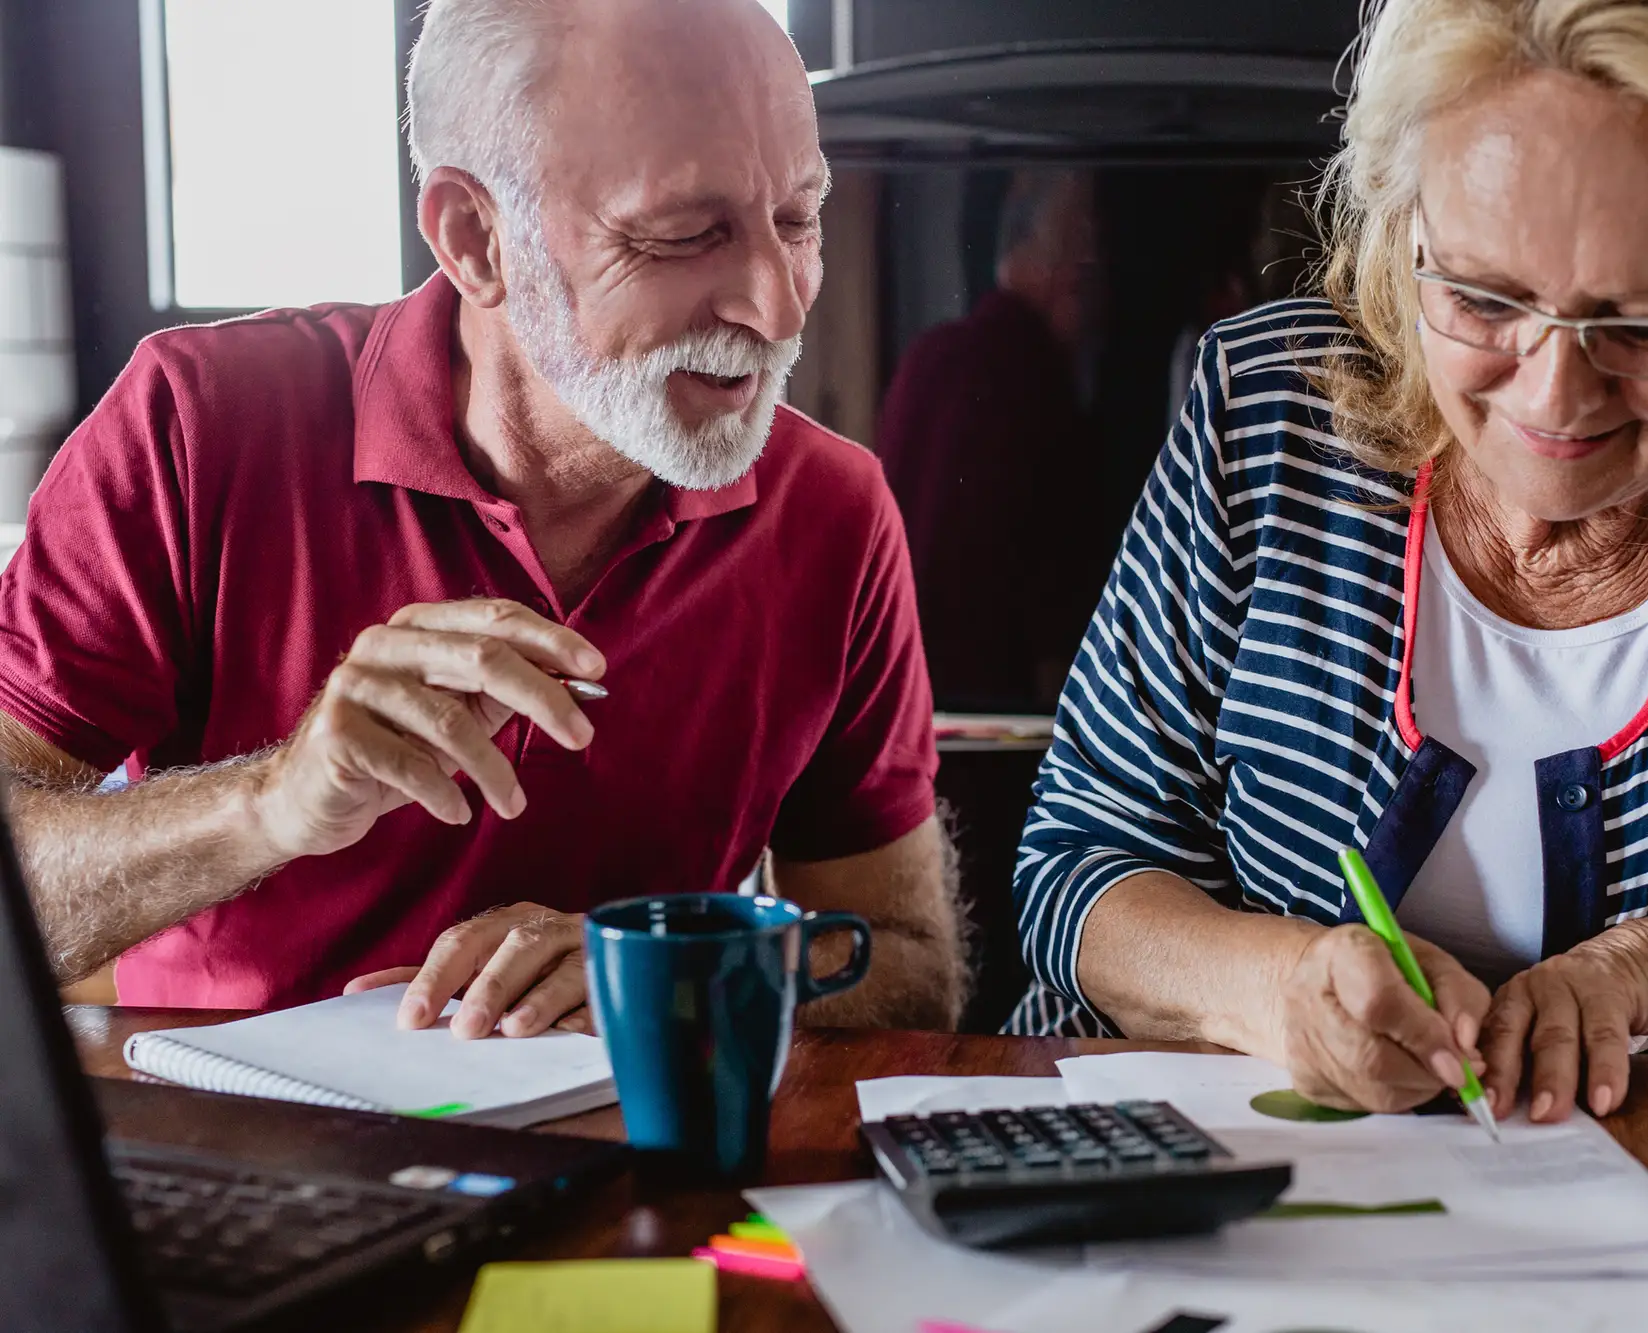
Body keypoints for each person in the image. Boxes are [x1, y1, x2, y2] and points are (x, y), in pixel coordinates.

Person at [1008, 0, 1648, 1123]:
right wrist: (1279, 990)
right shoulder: (1267, 417)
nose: (1552, 397)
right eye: (1480, 299)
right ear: (1402, 230)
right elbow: (1077, 861)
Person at [0, 0, 967, 1037]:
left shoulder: (834, 509)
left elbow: (909, 968)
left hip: (643, 1176)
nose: (776, 310)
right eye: (685, 236)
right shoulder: (193, 425)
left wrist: (676, 972)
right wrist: (274, 800)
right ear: (474, 237)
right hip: (249, 1163)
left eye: (796, 220)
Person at [875, 170, 1106, 712]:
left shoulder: (927, 354)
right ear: (1069, 271)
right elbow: (1054, 613)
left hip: (902, 711)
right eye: (1089, 255)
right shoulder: (1040, 384)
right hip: (998, 729)